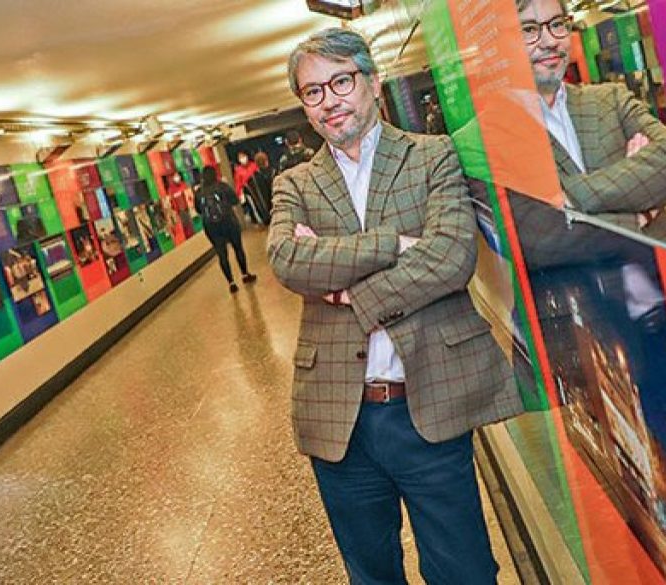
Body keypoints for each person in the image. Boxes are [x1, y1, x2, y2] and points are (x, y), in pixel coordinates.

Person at [267, 28, 522, 584]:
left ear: (372, 82)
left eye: (341, 81)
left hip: (429, 404)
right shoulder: (294, 184)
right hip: (340, 420)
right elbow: (288, 261)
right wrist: (392, 245)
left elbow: (450, 258)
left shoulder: (432, 157)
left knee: (465, 572)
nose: (330, 100)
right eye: (313, 91)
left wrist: (345, 290)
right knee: (371, 574)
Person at [518, 0, 666, 250]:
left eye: (556, 24)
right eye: (529, 29)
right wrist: (638, 214)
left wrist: (571, 196)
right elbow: (543, 237)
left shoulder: (611, 98)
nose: (550, 41)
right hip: (590, 274)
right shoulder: (495, 135)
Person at [195, 165, 257, 293]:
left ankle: (231, 283)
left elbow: (199, 210)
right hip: (229, 222)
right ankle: (245, 274)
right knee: (238, 248)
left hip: (211, 227)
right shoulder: (222, 186)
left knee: (222, 254)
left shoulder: (199, 192)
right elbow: (235, 201)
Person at [232, 150, 263, 224]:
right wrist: (239, 194)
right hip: (248, 191)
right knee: (254, 207)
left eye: (243, 156)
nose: (243, 158)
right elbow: (238, 183)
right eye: (240, 157)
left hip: (259, 189)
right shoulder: (238, 170)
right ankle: (259, 221)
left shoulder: (254, 165)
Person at [246, 151, 276, 224]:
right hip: (279, 209)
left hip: (265, 215)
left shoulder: (252, 180)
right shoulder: (274, 173)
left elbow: (253, 202)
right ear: (266, 161)